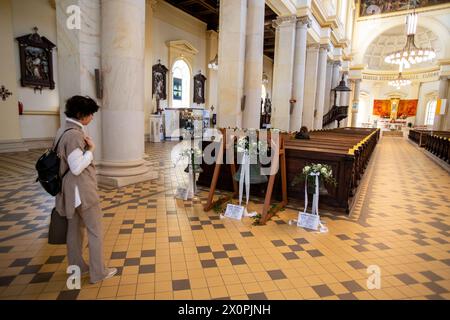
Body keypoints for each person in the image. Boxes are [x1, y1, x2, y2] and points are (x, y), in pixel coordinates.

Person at [55, 96, 117, 284]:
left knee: (73, 232)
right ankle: (99, 272)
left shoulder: (62, 130)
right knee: (95, 230)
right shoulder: (75, 135)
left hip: (69, 192)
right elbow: (76, 167)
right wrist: (91, 150)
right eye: (90, 114)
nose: (92, 118)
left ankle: (78, 267)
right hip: (81, 191)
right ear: (80, 115)